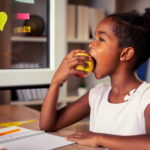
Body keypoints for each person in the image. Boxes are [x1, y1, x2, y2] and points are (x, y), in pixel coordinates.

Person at [40, 8, 150, 150]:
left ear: (126, 53)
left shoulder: (145, 97)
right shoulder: (98, 94)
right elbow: (48, 125)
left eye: (101, 39)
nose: (91, 44)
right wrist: (56, 82)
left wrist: (98, 138)